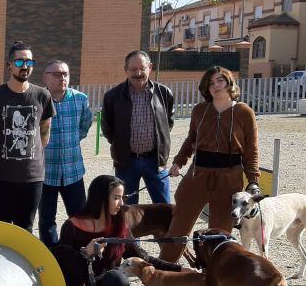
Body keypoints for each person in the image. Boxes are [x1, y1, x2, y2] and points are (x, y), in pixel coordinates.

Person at [52, 175, 176, 286]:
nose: (121, 203)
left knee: (118, 277)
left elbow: (143, 257)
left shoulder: (119, 225)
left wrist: (180, 269)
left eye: (122, 198)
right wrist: (84, 254)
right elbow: (63, 269)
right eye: (116, 198)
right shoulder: (71, 226)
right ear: (101, 198)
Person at [158, 66, 260, 263]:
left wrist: (253, 180)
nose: (215, 86)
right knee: (179, 224)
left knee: (220, 231)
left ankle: (213, 275)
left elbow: (252, 149)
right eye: (211, 83)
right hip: (198, 173)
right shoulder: (200, 110)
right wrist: (179, 162)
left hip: (229, 176)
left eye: (220, 81)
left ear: (229, 83)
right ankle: (164, 269)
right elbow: (191, 139)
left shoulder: (244, 112)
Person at [0, 41, 54, 230]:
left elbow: (44, 132)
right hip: (1, 177)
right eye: (19, 62)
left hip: (32, 177)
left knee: (25, 229)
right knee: (1, 230)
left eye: (29, 61)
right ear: (9, 65)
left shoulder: (42, 95)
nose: (25, 66)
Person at [101, 51, 175, 205]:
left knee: (164, 207)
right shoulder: (112, 96)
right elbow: (107, 128)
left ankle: (163, 231)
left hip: (155, 161)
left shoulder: (164, 93)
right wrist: (120, 145)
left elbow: (168, 123)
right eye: (133, 69)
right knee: (127, 209)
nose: (138, 73)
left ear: (150, 67)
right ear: (126, 70)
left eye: (142, 68)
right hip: (126, 162)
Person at [38, 60, 93, 246]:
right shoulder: (37, 100)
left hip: (73, 172)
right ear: (45, 77)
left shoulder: (81, 100)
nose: (62, 78)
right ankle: (51, 257)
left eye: (65, 74)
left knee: (79, 219)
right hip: (46, 173)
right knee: (46, 220)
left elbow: (85, 125)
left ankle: (79, 255)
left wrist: (71, 140)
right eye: (57, 74)